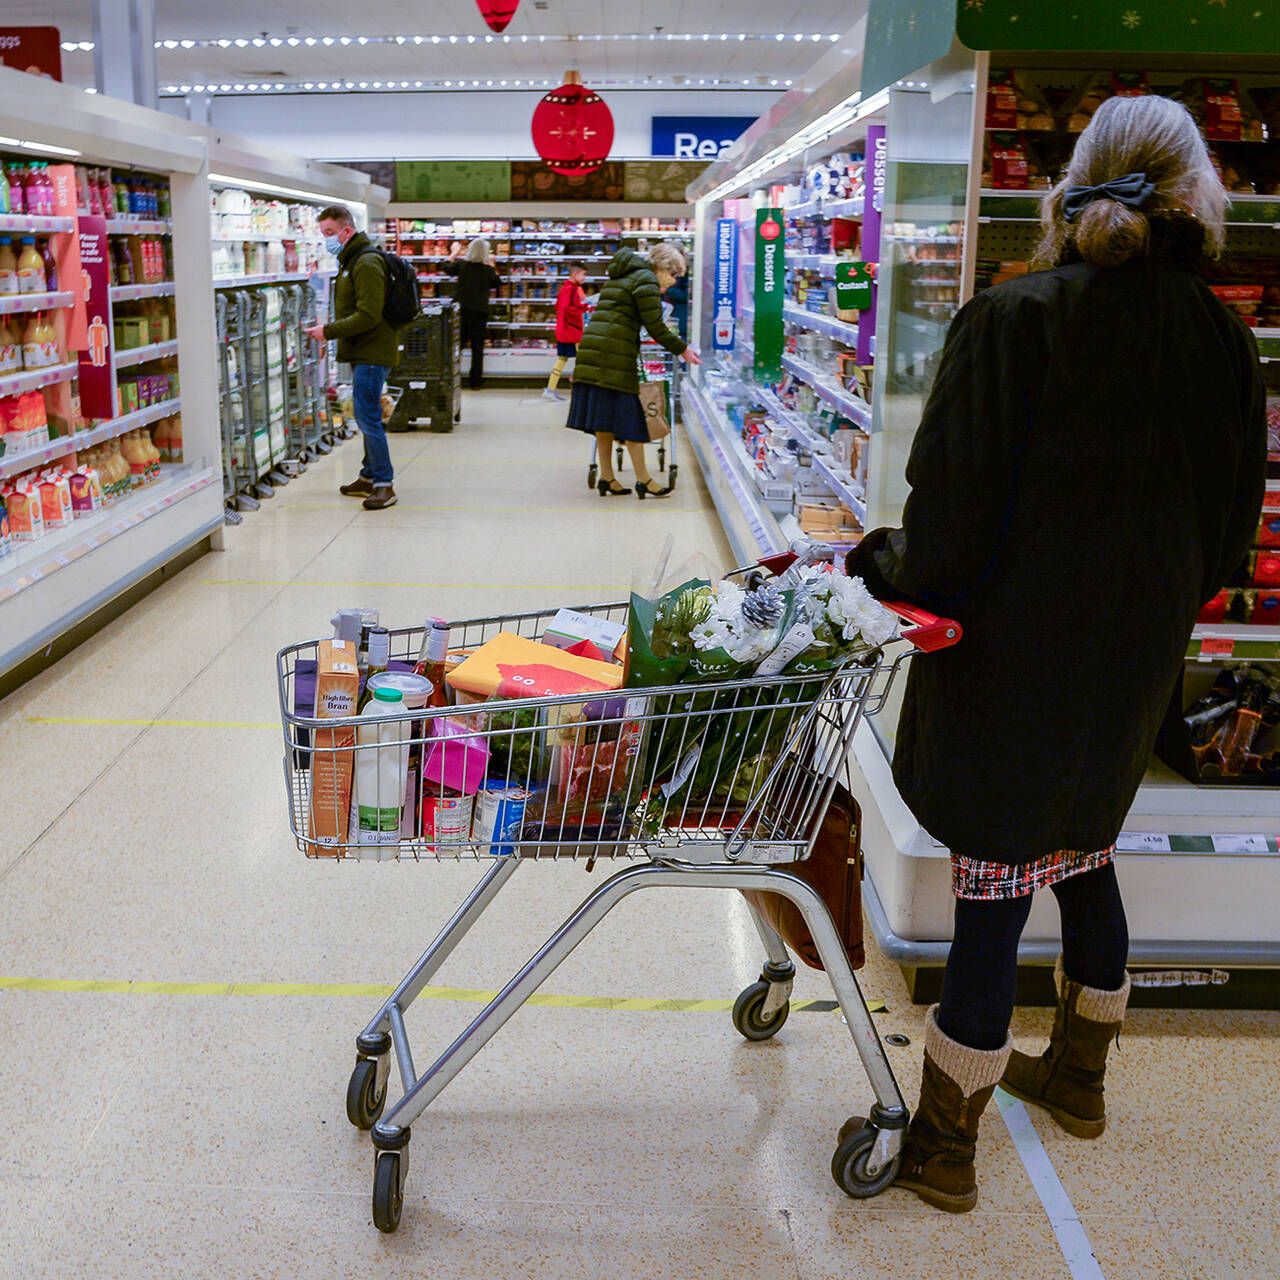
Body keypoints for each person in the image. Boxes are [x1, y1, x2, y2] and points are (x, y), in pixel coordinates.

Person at [841, 95, 1265, 1213]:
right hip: (1130, 659)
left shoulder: (1013, 317)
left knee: (991, 882)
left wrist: (876, 563)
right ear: (1194, 192)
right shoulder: (1221, 336)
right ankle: (1077, 1074)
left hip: (1007, 657)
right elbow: (1229, 535)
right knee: (1084, 845)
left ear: (1071, 179)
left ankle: (943, 1141)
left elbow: (945, 532)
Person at [566, 243, 701, 498]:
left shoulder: (626, 275)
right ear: (664, 268)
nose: (674, 282)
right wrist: (683, 349)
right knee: (631, 421)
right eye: (674, 275)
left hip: (596, 353)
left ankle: (607, 478)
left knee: (603, 421)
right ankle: (644, 480)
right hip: (612, 357)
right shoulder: (647, 282)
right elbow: (656, 326)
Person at [307, 204, 400, 510]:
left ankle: (384, 485)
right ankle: (369, 476)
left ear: (347, 230)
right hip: (365, 350)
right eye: (323, 234)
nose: (327, 240)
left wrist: (328, 331)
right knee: (365, 415)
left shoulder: (366, 262)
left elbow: (369, 315)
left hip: (373, 352)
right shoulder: (352, 260)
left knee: (369, 418)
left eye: (331, 233)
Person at [443, 238, 502, 390]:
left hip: (461, 312)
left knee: (457, 346)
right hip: (479, 313)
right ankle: (476, 382)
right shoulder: (487, 270)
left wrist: (454, 252)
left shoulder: (462, 266)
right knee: (477, 349)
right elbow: (496, 283)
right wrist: (492, 264)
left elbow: (447, 267)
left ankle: (450, 378)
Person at [543, 262, 588, 403]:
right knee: (582, 360)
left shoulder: (568, 288)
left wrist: (584, 306)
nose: (585, 277)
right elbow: (565, 309)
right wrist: (584, 308)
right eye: (583, 274)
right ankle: (582, 391)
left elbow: (561, 306)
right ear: (575, 274)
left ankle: (550, 389)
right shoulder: (570, 289)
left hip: (566, 330)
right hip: (571, 332)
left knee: (562, 359)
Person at [663, 270, 690, 342]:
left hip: (680, 321)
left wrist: (667, 290)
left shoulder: (686, 277)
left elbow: (687, 295)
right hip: (666, 319)